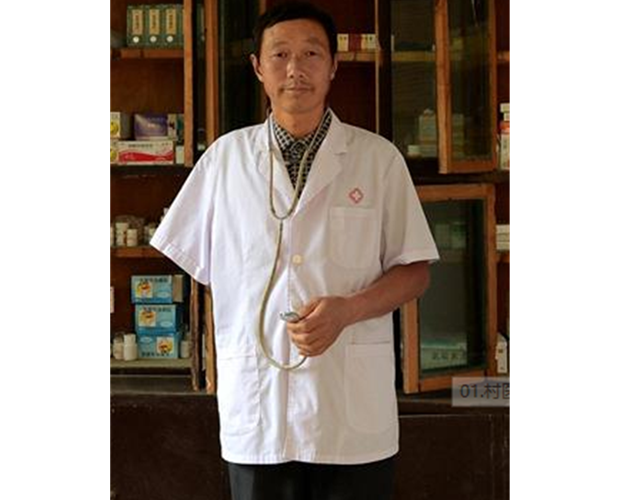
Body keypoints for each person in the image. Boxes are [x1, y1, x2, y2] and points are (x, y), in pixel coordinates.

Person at [150, 2, 439, 499]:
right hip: (258, 408)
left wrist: (348, 309)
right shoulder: (224, 160)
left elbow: (415, 271)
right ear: (258, 67)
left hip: (349, 414)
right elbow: (201, 263)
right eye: (280, 54)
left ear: (333, 65)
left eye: (311, 54)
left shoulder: (378, 159)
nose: (295, 69)